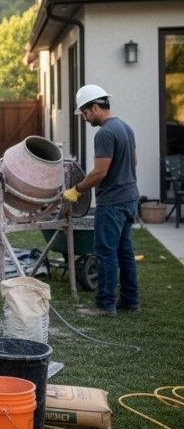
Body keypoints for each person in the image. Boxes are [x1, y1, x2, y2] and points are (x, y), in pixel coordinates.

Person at [63, 84, 140, 316]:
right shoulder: (125, 127)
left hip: (113, 203)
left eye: (85, 112)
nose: (85, 118)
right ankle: (130, 300)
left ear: (95, 107)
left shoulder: (105, 133)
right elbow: (134, 162)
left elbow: (99, 173)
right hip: (130, 198)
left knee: (105, 252)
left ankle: (105, 305)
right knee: (124, 251)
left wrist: (76, 190)